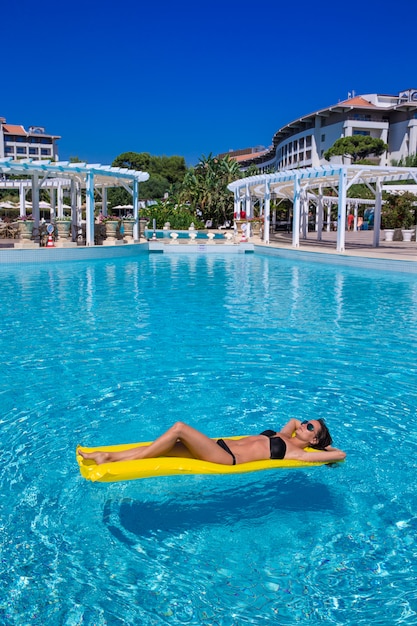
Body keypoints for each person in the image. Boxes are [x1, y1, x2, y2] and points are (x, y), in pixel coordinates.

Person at [78, 419, 346, 466]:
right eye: (306, 423)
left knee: (179, 429)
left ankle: (111, 457)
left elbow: (339, 455)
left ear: (315, 439)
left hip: (225, 458)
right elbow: (292, 419)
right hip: (218, 444)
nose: (303, 424)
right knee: (166, 449)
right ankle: (108, 457)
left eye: (310, 427)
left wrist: (323, 448)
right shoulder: (286, 435)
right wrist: (303, 428)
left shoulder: (297, 454)